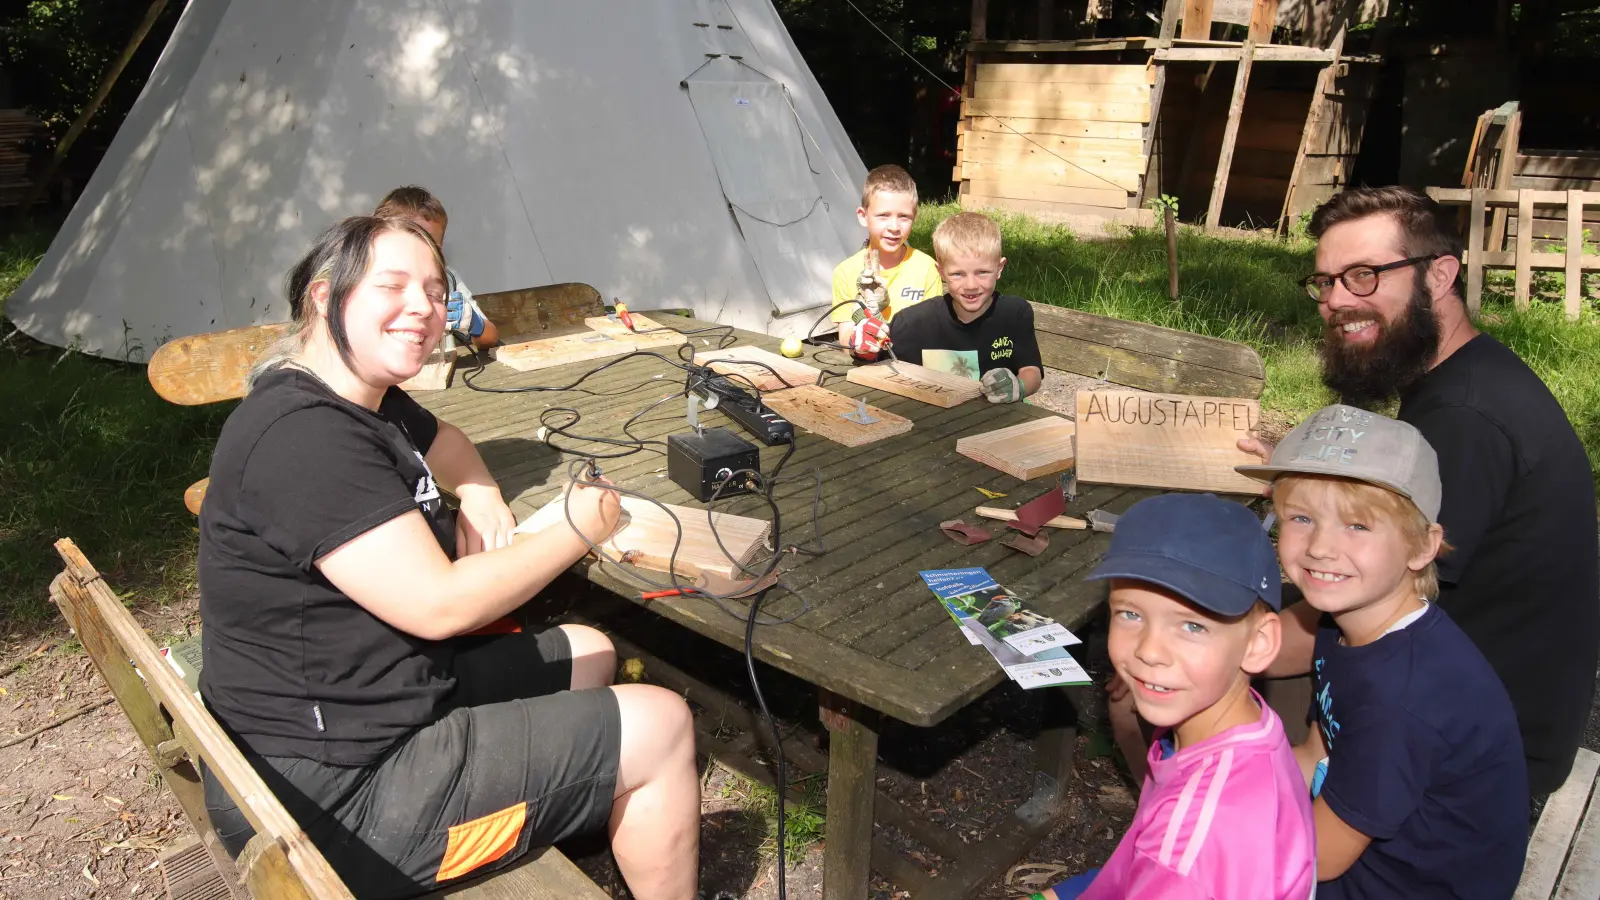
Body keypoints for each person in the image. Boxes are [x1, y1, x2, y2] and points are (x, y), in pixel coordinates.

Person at [196, 216, 701, 900]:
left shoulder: (360, 393)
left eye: (436, 292)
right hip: (332, 803)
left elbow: (451, 444)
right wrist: (579, 526)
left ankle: (583, 807)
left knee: (591, 651)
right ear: (324, 295)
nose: (424, 309)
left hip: (375, 700)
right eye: (393, 286)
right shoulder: (304, 437)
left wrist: (483, 494)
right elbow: (442, 605)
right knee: (663, 725)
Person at [1246, 186, 1599, 801]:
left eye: (1363, 275)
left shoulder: (1463, 420)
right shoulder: (1466, 373)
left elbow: (1387, 600)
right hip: (1461, 690)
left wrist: (1200, 646)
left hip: (1482, 751)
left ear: (1439, 276)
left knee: (1190, 682)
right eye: (1325, 281)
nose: (1336, 300)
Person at [1240, 405, 1528, 898]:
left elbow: (1319, 857)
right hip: (1367, 857)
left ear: (1421, 547)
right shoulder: (1345, 623)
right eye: (1301, 518)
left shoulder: (1403, 697)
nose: (1320, 547)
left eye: (1357, 526)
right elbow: (1317, 753)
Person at [1038, 493, 1315, 900]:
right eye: (1130, 614)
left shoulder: (1191, 847)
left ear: (1258, 643)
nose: (1149, 651)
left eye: (1192, 626)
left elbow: (1176, 859)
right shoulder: (1238, 728)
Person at [885, 211, 1043, 404]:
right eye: (958, 274)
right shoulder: (912, 322)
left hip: (1000, 416)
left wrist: (1019, 386)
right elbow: (880, 363)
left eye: (982, 272)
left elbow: (1032, 371)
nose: (971, 285)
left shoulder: (1015, 313)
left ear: (999, 268)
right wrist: (864, 340)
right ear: (941, 272)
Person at [831, 164, 944, 353]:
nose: (894, 227)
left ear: (914, 217)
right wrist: (860, 338)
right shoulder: (845, 272)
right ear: (863, 216)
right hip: (864, 365)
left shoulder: (927, 268)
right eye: (883, 216)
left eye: (904, 217)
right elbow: (845, 339)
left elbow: (933, 332)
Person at [374, 185, 501, 349]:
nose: (422, 249)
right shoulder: (364, 280)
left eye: (432, 243)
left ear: (440, 248)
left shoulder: (447, 279)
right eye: (414, 238)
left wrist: (474, 324)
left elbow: (491, 338)